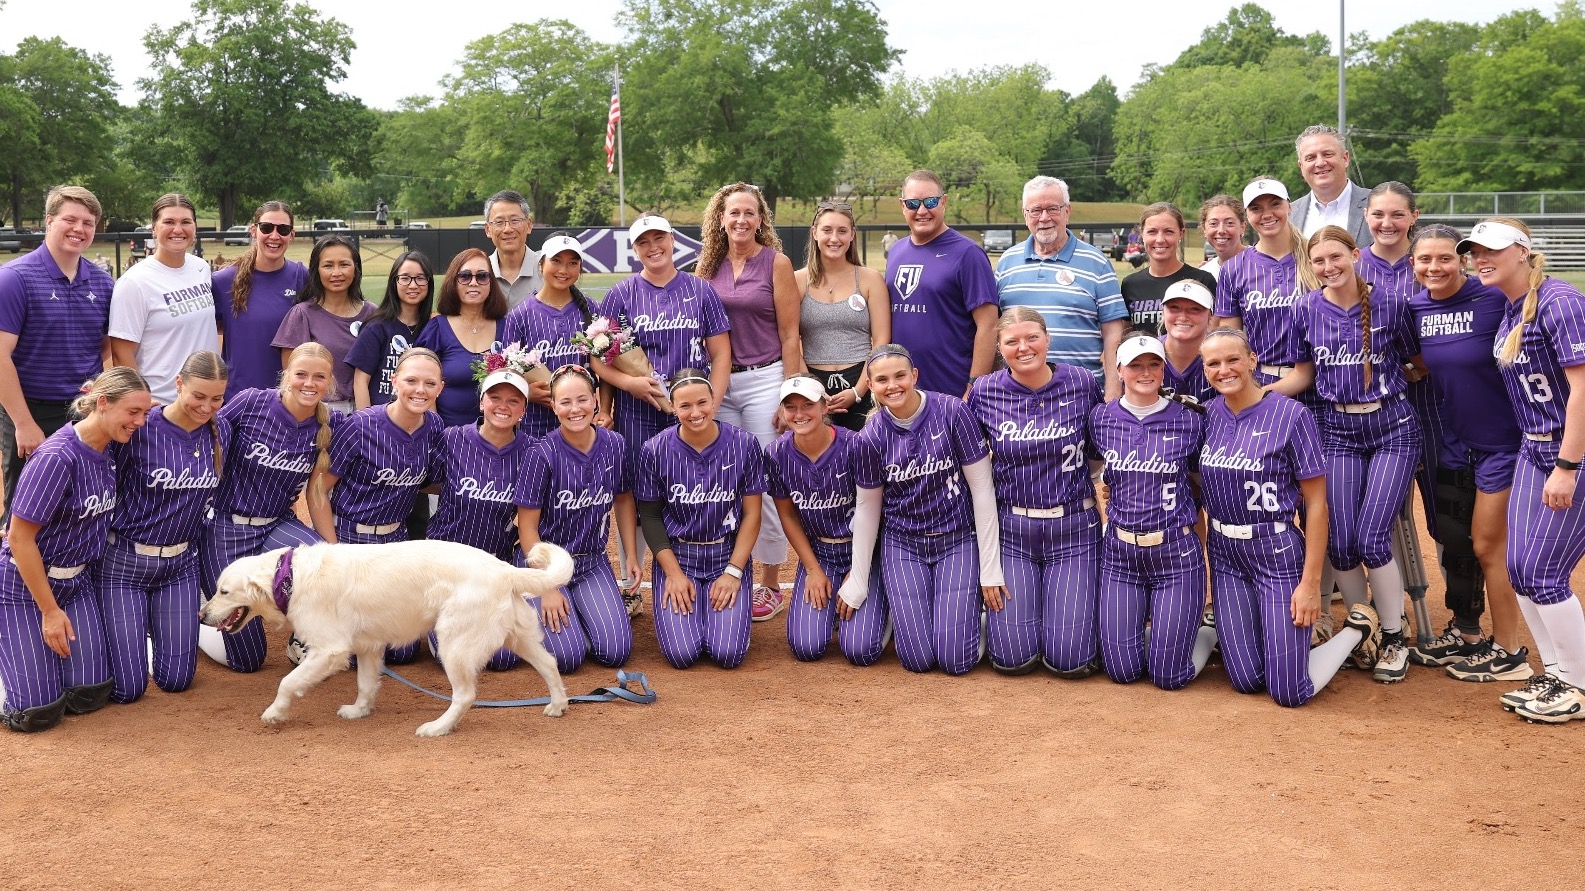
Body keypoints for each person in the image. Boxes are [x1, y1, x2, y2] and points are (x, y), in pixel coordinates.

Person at [1197, 327, 1381, 707]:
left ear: (1252, 361)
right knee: (1246, 680)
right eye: (1213, 363)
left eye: (1233, 359)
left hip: (1276, 553)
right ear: (1204, 370)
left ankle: (1355, 631)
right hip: (1226, 554)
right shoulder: (1209, 415)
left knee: (1289, 692)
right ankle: (1274, 643)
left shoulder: (1291, 414)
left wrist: (1311, 583)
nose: (1224, 369)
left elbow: (1316, 503)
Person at [1276, 225, 1423, 683]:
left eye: (1336, 257)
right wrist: (1256, 397)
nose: (1328, 267)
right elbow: (1302, 375)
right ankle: (1366, 630)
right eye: (1318, 261)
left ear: (1355, 254)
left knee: (1372, 538)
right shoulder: (1305, 308)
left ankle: (1395, 635)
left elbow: (1417, 362)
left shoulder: (1392, 302)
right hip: (1337, 429)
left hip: (1392, 428)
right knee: (1339, 541)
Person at [1405, 224, 1531, 683]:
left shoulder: (1494, 298)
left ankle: (1511, 651)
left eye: (1444, 259)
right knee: (1460, 543)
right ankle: (1470, 635)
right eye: (1425, 260)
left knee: (1489, 547)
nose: (1434, 268)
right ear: (1413, 264)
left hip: (1503, 442)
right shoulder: (1415, 307)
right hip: (1455, 442)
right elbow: (1421, 360)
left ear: (1461, 262)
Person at [837, 344, 1004, 676]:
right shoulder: (869, 437)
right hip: (904, 545)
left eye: (900, 375)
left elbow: (982, 490)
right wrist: (858, 579)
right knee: (916, 660)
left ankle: (973, 621)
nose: (893, 385)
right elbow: (868, 511)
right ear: (870, 385)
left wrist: (990, 568)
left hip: (956, 539)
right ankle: (896, 615)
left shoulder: (952, 411)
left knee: (956, 661)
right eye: (882, 379)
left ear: (914, 375)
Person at [1476, 218, 1585, 722]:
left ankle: (1579, 685)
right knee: (1520, 571)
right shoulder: (1511, 307)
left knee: (1543, 573)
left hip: (1570, 454)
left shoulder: (1560, 301)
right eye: (1474, 250)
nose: (1481, 257)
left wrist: (1566, 464)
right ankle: (1557, 673)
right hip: (1531, 450)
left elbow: (1582, 388)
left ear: (1523, 251)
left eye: (1492, 249)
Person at [0, 367, 150, 732]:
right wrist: (49, 611)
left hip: (76, 583)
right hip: (25, 586)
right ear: (102, 404)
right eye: (133, 412)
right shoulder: (57, 458)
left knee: (90, 694)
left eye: (145, 413)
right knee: (37, 714)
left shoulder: (111, 446)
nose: (140, 422)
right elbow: (19, 538)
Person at [594, 214, 732, 575]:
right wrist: (630, 385)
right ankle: (632, 576)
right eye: (643, 242)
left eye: (659, 239)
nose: (653, 247)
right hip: (638, 410)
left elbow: (721, 353)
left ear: (673, 241)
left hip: (690, 410)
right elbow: (598, 360)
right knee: (639, 494)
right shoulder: (620, 294)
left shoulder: (700, 290)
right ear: (635, 249)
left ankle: (693, 567)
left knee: (691, 489)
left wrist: (711, 404)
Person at [966, 309, 1098, 676]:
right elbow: (970, 465)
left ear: (1047, 339)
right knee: (1013, 659)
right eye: (1012, 341)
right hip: (1014, 532)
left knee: (1069, 659)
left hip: (1073, 529)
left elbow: (1100, 448)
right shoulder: (985, 390)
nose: (1024, 348)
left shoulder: (1081, 383)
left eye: (1032, 338)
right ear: (999, 347)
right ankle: (982, 625)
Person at [697, 182, 803, 623]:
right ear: (720, 218)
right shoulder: (706, 267)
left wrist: (790, 394)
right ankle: (726, 571)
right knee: (722, 478)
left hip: (765, 379)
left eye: (749, 213)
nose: (741, 220)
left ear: (761, 219)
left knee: (765, 478)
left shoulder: (776, 263)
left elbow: (790, 334)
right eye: (733, 213)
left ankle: (771, 583)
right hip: (719, 385)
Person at [97, 351, 226, 704]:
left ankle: (159, 633)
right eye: (198, 396)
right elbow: (103, 481)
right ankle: (134, 642)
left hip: (179, 566)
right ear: (179, 383)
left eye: (217, 398)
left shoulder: (220, 430)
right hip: (123, 563)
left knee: (176, 680)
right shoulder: (142, 427)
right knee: (128, 690)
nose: (207, 406)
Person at [1090, 334, 1217, 688]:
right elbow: (1100, 473)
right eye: (1135, 365)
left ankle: (1205, 636)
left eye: (1153, 363)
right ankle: (1165, 638)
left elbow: (1198, 488)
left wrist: (1203, 552)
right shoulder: (1101, 418)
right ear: (1119, 370)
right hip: (1120, 555)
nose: (1145, 372)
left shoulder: (1190, 419)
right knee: (1122, 672)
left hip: (1175, 553)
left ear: (1164, 369)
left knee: (1168, 677)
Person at [195, 343, 332, 672]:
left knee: (321, 563)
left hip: (276, 525)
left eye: (319, 377)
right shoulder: (251, 402)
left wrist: (334, 549)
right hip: (226, 526)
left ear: (330, 383)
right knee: (247, 661)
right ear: (287, 376)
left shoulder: (330, 422)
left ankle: (304, 634)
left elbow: (316, 492)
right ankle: (193, 625)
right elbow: (205, 435)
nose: (309, 383)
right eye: (301, 374)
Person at [635, 370, 766, 670]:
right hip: (679, 556)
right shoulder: (654, 449)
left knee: (728, 654)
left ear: (714, 400)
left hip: (725, 554)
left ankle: (729, 615)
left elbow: (753, 514)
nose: (695, 413)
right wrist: (673, 574)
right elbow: (652, 516)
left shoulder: (744, 444)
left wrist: (734, 572)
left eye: (702, 403)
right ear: (672, 406)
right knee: (682, 655)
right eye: (685, 406)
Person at [0, 185, 115, 525]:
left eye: (88, 223)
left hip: (85, 410)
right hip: (33, 410)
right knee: (27, 511)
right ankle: (15, 577)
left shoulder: (103, 283)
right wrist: (24, 425)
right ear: (49, 221)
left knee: (83, 504)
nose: (79, 229)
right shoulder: (15, 278)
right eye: (70, 219)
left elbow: (104, 347)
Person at [516, 365, 642, 671]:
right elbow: (527, 528)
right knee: (568, 659)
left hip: (591, 562)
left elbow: (623, 499)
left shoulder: (614, 444)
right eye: (565, 402)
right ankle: (534, 609)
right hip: (548, 564)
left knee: (615, 653)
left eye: (582, 399)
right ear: (554, 406)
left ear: (596, 400)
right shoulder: (541, 453)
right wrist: (547, 586)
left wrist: (631, 557)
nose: (575, 409)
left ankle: (580, 619)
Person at [766, 375, 887, 664]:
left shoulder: (855, 445)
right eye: (790, 407)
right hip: (821, 552)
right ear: (782, 413)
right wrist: (812, 570)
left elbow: (876, 511)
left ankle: (884, 611)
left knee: (860, 650)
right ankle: (837, 606)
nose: (799, 414)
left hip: (865, 550)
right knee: (806, 648)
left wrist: (859, 571)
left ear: (824, 408)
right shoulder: (776, 454)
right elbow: (787, 514)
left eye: (807, 405)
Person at [424, 366, 538, 672]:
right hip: (445, 566)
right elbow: (422, 480)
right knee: (458, 656)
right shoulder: (452, 439)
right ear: (481, 402)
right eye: (495, 397)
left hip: (492, 567)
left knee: (500, 659)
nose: (503, 406)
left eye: (514, 401)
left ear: (524, 410)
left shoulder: (532, 451)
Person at [995, 175, 1128, 399]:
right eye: (1036, 210)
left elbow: (1113, 331)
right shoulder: (1007, 262)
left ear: (1068, 211)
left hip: (1080, 393)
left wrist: (1112, 394)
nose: (1044, 218)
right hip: (1017, 397)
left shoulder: (1096, 262)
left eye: (1053, 209)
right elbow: (996, 330)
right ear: (1025, 214)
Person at [886, 169, 998, 397]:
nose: (922, 210)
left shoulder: (968, 253)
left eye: (930, 201)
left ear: (944, 202)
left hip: (952, 391)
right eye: (913, 203)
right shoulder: (896, 251)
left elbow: (989, 325)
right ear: (902, 205)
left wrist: (975, 387)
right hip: (902, 392)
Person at [109, 193, 217, 405]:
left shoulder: (201, 268)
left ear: (195, 228)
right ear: (154, 229)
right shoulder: (135, 282)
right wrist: (142, 403)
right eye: (169, 222)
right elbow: (121, 354)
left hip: (204, 400)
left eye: (186, 222)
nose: (178, 229)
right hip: (162, 403)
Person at [1212, 178, 1318, 390]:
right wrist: (1252, 393)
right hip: (1261, 381)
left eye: (1275, 204)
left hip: (1320, 384)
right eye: (1256, 208)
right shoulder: (1233, 269)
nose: (1267, 214)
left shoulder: (1315, 257)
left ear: (1290, 206)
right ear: (1247, 216)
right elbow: (1231, 342)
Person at [796, 201, 890, 433]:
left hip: (862, 381)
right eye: (827, 230)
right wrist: (812, 388)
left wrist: (858, 391)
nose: (834, 238)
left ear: (852, 235)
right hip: (813, 385)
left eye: (842, 231)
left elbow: (881, 341)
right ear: (814, 232)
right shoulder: (796, 280)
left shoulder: (870, 279)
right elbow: (789, 340)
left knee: (864, 458)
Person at [501, 234, 602, 437]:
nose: (564, 270)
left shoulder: (591, 309)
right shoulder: (519, 315)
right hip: (536, 423)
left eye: (572, 263)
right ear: (541, 264)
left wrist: (606, 409)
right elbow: (507, 373)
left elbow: (605, 365)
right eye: (556, 261)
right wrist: (528, 392)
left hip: (581, 419)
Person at [214, 201, 308, 399]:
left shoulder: (302, 277)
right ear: (253, 230)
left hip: (289, 400)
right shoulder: (223, 281)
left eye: (282, 229)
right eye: (266, 228)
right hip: (238, 400)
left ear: (292, 235)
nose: (274, 236)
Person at [272, 235, 375, 414]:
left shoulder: (373, 314)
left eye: (344, 264)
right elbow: (290, 380)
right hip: (317, 412)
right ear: (316, 271)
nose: (336, 273)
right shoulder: (302, 314)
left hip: (364, 412)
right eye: (328, 265)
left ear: (356, 268)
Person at [415, 248, 510, 427]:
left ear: (491, 282)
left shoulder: (508, 328)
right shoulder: (437, 329)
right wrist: (435, 433)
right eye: (465, 276)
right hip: (446, 440)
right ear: (454, 282)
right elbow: (421, 387)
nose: (473, 282)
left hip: (497, 438)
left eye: (482, 276)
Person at [347, 250, 435, 409]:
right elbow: (360, 381)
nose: (413, 285)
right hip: (381, 423)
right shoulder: (376, 326)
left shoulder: (432, 329)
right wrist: (367, 423)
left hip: (418, 423)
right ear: (394, 282)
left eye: (420, 278)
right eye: (405, 278)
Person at [1119, 202, 1216, 335]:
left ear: (1181, 234)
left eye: (1168, 232)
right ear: (1142, 234)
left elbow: (1214, 333)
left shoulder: (1202, 280)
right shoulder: (1130, 284)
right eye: (1152, 232)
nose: (1160, 239)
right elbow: (1126, 336)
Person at [1290, 124, 1372, 247]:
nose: (1320, 163)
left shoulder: (1377, 205)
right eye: (1310, 158)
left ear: (1345, 158)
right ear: (1301, 166)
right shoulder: (1289, 216)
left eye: (1327, 154)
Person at [1159, 280, 1217, 406]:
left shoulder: (1223, 355)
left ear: (1210, 316)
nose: (1183, 316)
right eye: (1174, 307)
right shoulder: (1145, 353)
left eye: (1194, 309)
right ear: (1163, 311)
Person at [483, 190, 543, 308]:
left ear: (529, 225)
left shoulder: (547, 270)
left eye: (515, 220)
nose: (507, 229)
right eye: (499, 222)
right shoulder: (478, 272)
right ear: (488, 229)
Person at [1197, 195, 1247, 280]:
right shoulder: (1204, 274)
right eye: (1213, 223)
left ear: (1242, 227)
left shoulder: (1262, 263)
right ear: (1204, 229)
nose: (1221, 230)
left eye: (1229, 223)